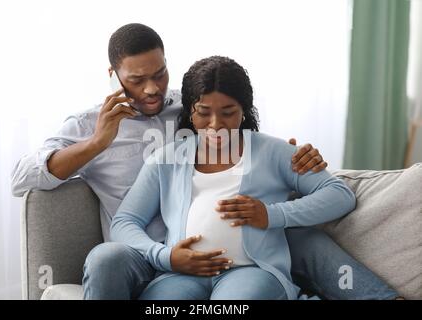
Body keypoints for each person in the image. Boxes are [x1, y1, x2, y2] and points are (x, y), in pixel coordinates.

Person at [10, 23, 397, 300]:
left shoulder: (194, 100)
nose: (151, 88)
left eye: (159, 74)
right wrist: (97, 143)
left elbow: (243, 127)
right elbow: (23, 177)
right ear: (114, 77)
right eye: (137, 79)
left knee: (303, 237)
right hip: (154, 256)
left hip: (248, 258)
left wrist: (288, 168)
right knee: (108, 258)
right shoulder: (100, 130)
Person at [108, 56, 399, 300]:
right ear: (190, 113)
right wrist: (166, 257)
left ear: (243, 111)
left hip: (250, 271)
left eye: (228, 113)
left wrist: (271, 215)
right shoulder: (166, 159)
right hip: (180, 276)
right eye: (204, 113)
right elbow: (124, 222)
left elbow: (339, 194)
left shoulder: (272, 152)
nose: (216, 125)